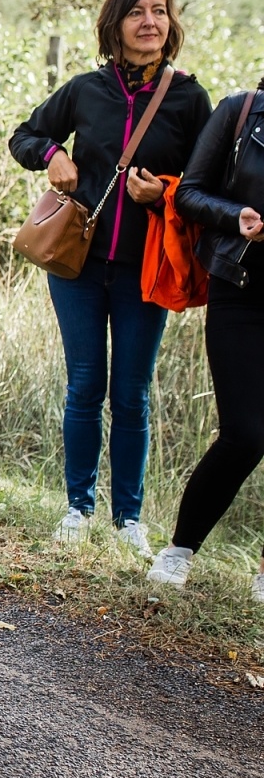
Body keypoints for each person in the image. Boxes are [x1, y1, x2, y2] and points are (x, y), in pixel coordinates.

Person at [9, 0, 212, 556]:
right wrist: (52, 156)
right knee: (84, 385)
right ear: (115, 25)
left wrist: (165, 192)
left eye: (160, 12)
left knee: (131, 392)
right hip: (75, 265)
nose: (150, 22)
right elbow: (24, 135)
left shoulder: (189, 99)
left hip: (145, 269)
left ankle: (129, 519)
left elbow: (205, 185)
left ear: (170, 24)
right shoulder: (85, 90)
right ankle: (77, 508)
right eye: (137, 13)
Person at [148, 75, 264, 601]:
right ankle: (179, 549)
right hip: (239, 288)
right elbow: (191, 193)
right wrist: (234, 215)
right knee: (244, 433)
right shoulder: (241, 112)